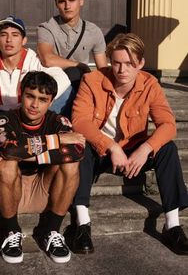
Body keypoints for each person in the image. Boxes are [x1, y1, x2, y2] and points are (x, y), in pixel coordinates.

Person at [68, 33, 188, 255]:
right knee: (80, 146)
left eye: (129, 64)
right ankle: (82, 224)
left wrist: (145, 149)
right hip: (99, 151)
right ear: (110, 61)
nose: (122, 70)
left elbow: (168, 125)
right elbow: (80, 121)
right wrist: (111, 147)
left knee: (168, 148)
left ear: (140, 63)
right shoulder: (92, 80)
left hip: (133, 153)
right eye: (117, 63)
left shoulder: (149, 84)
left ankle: (173, 225)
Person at [0, 15, 72, 218]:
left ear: (24, 40)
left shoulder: (33, 60)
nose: (9, 40)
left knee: (66, 93)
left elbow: (62, 81)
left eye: (15, 35)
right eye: (4, 35)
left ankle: (44, 149)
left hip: (25, 122)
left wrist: (30, 118)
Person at [0, 71, 85, 264]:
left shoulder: (59, 121)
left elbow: (76, 151)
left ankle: (51, 231)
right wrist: (55, 140)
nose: (34, 104)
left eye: (43, 99)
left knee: (71, 164)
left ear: (51, 102)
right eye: (30, 96)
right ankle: (10, 231)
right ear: (20, 94)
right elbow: (9, 150)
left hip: (42, 190)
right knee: (7, 165)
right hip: (5, 192)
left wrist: (22, 152)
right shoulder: (4, 120)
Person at [37, 0, 107, 99]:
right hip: (53, 85)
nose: (67, 6)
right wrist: (80, 65)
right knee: (74, 72)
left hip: (80, 85)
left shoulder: (93, 31)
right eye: (62, 1)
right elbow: (47, 60)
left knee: (80, 76)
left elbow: (104, 70)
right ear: (56, 3)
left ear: (81, 0)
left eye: (72, 0)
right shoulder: (46, 28)